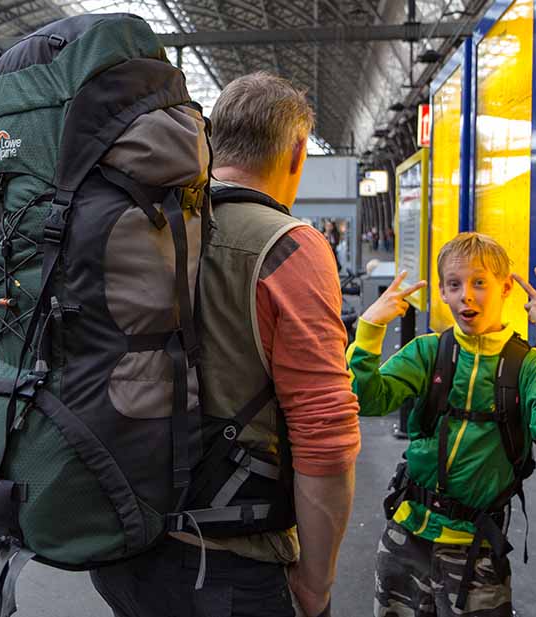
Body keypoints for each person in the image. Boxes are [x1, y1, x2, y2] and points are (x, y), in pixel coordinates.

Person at [90, 72, 360, 617]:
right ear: (297, 151)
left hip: (121, 546)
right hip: (226, 566)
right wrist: (316, 581)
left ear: (210, 141)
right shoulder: (288, 246)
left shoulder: (145, 224)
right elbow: (324, 434)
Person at [348, 232, 536, 617]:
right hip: (407, 535)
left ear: (506, 288)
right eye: (454, 285)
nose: (465, 296)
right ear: (442, 291)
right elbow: (366, 399)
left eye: (479, 283)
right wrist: (370, 328)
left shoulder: (528, 365)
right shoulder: (429, 351)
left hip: (476, 547)